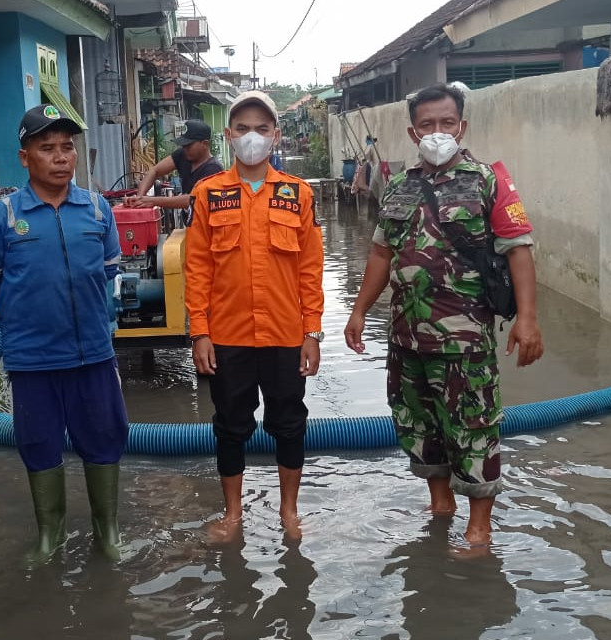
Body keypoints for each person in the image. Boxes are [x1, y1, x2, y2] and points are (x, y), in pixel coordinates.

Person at [343, 83, 544, 550]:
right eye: (428, 125)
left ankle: (479, 529)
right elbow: (379, 252)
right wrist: (358, 312)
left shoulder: (488, 181)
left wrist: (528, 318)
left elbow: (519, 251)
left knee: (473, 426)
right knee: (419, 425)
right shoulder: (398, 184)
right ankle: (441, 504)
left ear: (463, 126)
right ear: (414, 133)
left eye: (447, 123)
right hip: (407, 338)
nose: (438, 132)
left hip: (464, 338)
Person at [0, 104, 129, 561]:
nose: (61, 157)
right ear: (25, 158)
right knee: (38, 443)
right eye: (47, 149)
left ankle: (109, 534)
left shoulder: (98, 210)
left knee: (104, 436)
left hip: (94, 355)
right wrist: (25, 321)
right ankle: (50, 537)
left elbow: (107, 274)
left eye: (67, 147)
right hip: (33, 359)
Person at [185, 90, 325, 543]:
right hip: (228, 336)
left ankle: (289, 512)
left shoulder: (297, 194)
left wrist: (312, 333)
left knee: (289, 422)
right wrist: (199, 334)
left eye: (262, 129)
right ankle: (232, 515)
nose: (252, 137)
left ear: (275, 135)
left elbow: (310, 269)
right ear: (228, 136)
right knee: (229, 425)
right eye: (242, 128)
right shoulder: (208, 194)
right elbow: (197, 269)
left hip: (285, 335)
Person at [129, 119, 224, 209]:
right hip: (190, 224)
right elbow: (155, 171)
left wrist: (153, 201)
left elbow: (192, 199)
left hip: (206, 225)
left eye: (189, 145)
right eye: (183, 145)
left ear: (205, 144)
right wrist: (139, 198)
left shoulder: (213, 169)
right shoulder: (183, 155)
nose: (185, 148)